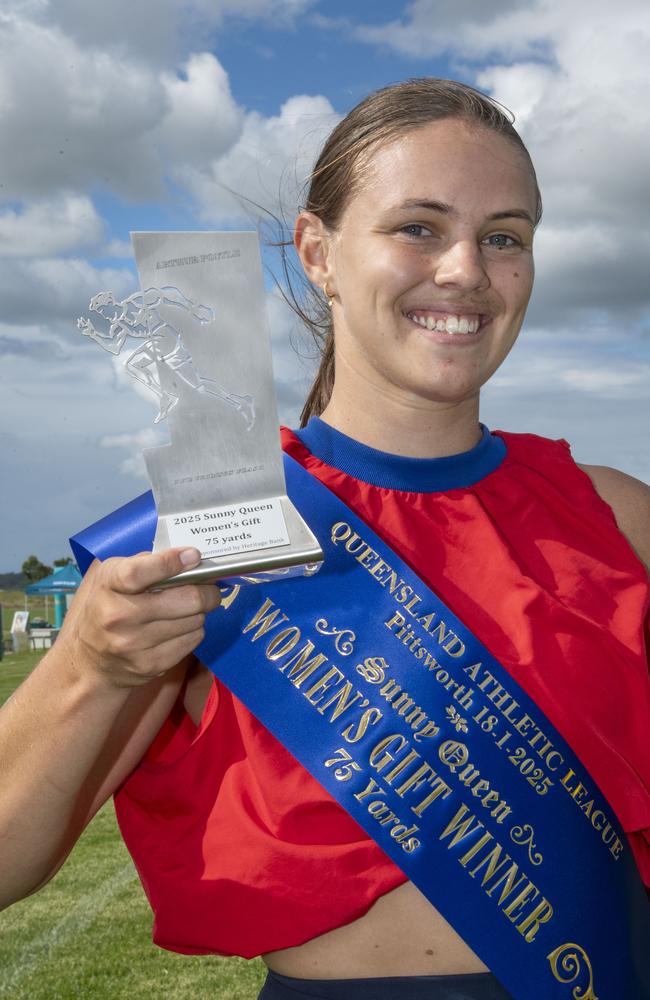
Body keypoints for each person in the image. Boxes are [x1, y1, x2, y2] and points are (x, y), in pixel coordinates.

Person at [1, 79, 649, 1000]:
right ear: (319, 253)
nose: (466, 269)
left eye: (504, 236)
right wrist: (92, 666)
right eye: (418, 227)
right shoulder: (207, 530)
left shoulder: (617, 518)